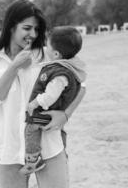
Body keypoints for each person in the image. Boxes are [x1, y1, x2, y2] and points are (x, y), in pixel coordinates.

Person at [0, 0, 86, 188]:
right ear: (11, 26)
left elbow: (81, 84)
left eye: (36, 29)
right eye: (27, 28)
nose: (33, 34)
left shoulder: (48, 54)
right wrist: (14, 66)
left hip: (49, 146)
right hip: (8, 151)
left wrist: (65, 115)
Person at [19, 26, 86, 175]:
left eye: (47, 45)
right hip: (54, 112)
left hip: (45, 111)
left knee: (31, 128)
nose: (45, 47)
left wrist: (34, 103)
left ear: (56, 54)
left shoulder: (59, 74)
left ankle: (32, 161)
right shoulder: (69, 65)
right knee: (60, 131)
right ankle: (64, 153)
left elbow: (50, 96)